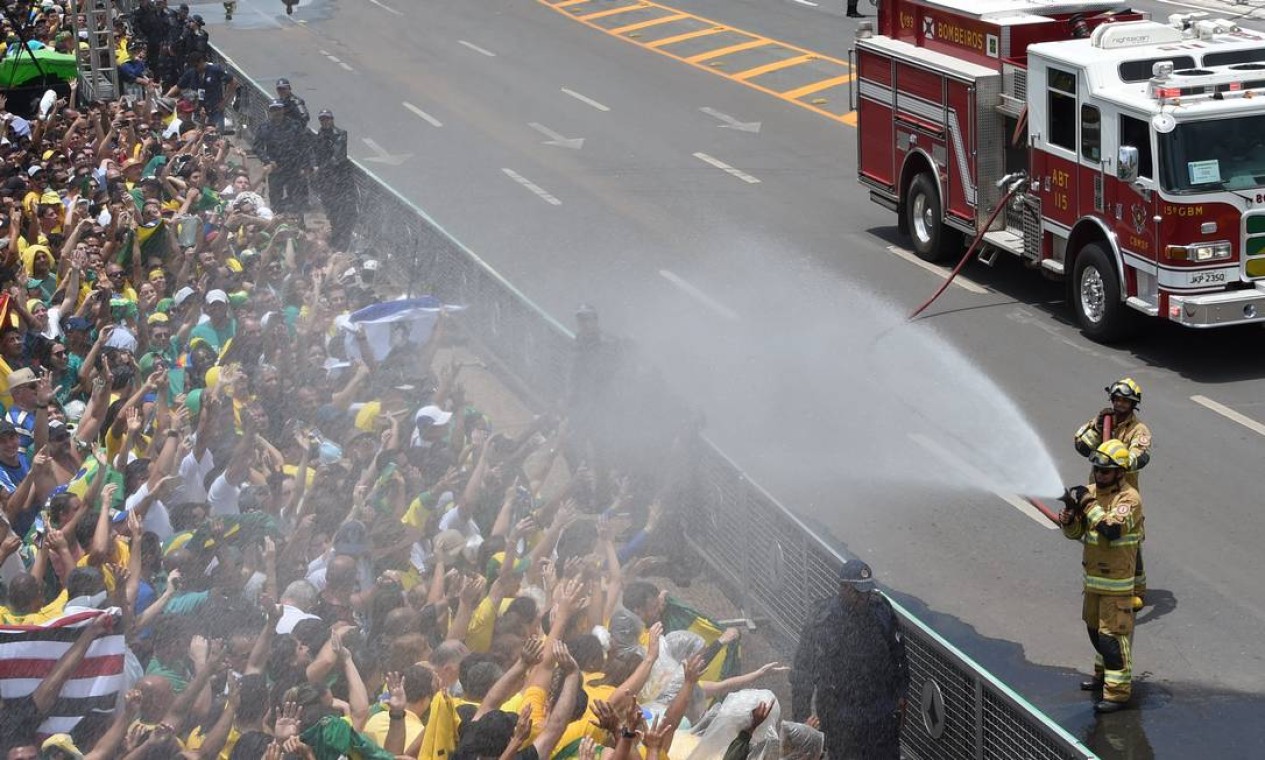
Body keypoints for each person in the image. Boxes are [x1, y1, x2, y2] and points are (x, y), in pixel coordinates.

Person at [790, 559, 907, 759]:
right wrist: (802, 718)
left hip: (880, 713)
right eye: (857, 592)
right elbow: (803, 670)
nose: (863, 598)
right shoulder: (822, 620)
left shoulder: (881, 612)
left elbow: (899, 656)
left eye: (866, 592)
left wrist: (902, 694)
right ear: (843, 588)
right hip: (840, 716)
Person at [1058, 439, 1143, 714]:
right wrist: (1070, 518)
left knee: (1112, 639)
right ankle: (1102, 677)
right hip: (1093, 580)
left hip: (1117, 583)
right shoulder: (1093, 492)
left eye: (1105, 471)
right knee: (1095, 632)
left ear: (1119, 472)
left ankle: (1118, 694)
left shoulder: (1129, 499)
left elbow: (1110, 529)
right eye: (1096, 469)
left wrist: (1087, 503)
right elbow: (1075, 533)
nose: (1098, 475)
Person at [1074, 378, 1151, 610]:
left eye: (1125, 401)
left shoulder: (1139, 431)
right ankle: (1097, 584)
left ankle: (1136, 590)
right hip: (1097, 490)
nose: (1119, 404)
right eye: (1116, 399)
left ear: (1133, 403)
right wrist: (1097, 429)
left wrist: (1115, 459)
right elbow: (1081, 445)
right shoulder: (1102, 421)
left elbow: (1141, 458)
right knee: (1094, 536)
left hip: (1123, 492)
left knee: (1130, 541)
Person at [253, 100, 312, 214]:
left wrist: (306, 165)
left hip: (294, 168)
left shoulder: (294, 125)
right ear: (270, 111)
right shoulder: (264, 127)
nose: (277, 112)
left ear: (283, 110)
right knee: (275, 199)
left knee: (296, 199)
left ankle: (299, 224)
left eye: (279, 109)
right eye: (274, 110)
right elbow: (257, 147)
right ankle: (276, 224)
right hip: (276, 169)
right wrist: (267, 160)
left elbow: (304, 146)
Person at [312, 110, 357, 251]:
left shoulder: (340, 134)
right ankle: (334, 241)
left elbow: (337, 157)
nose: (325, 122)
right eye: (322, 120)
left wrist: (320, 169)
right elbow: (315, 153)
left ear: (332, 120)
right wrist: (314, 166)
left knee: (343, 213)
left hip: (339, 180)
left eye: (327, 119)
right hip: (326, 182)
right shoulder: (320, 135)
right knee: (330, 211)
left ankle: (342, 242)